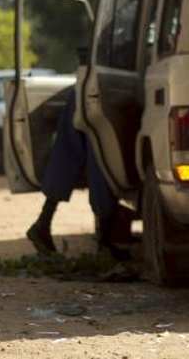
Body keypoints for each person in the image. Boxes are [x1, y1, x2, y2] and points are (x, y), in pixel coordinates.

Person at [27, 88, 128, 260]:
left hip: (86, 89)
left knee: (69, 153)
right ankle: (103, 241)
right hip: (98, 91)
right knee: (101, 158)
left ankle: (43, 223)